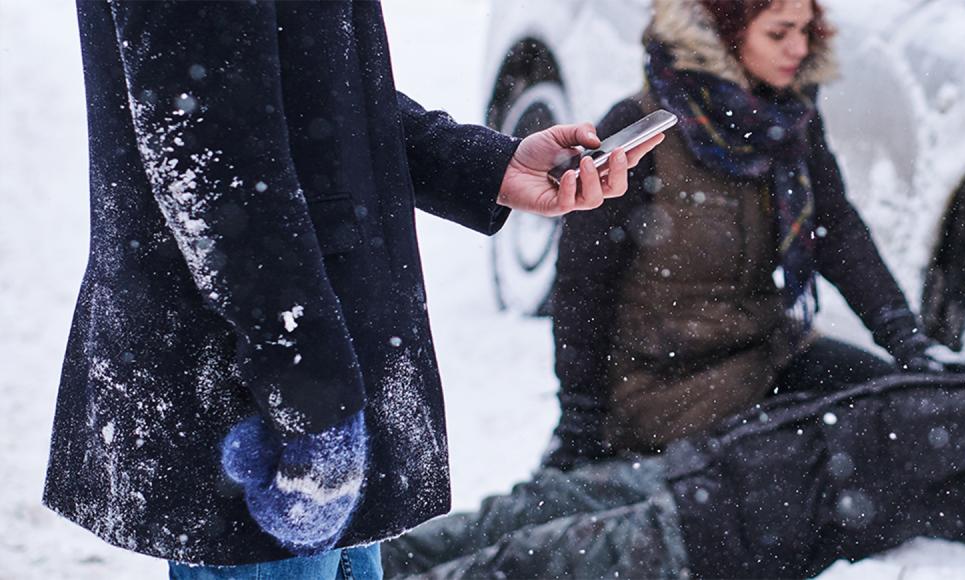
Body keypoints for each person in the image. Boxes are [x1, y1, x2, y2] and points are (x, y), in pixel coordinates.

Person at [47, 1, 659, 576]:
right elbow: (212, 160)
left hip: (318, 378)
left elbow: (310, 82)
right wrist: (311, 401)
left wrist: (482, 165)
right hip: (257, 400)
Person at [381, 356, 965, 579]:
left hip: (736, 528)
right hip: (725, 461)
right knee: (523, 507)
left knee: (523, 565)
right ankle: (353, 565)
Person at [544, 0, 965, 469]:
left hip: (767, 354)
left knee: (904, 414)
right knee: (815, 471)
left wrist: (905, 340)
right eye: (779, 33)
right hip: (666, 386)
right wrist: (580, 420)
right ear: (723, 30)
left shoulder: (787, 121)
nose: (799, 48)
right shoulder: (638, 132)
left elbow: (836, 231)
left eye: (807, 31)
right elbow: (581, 286)